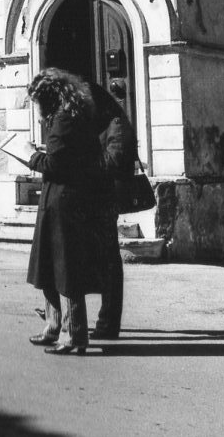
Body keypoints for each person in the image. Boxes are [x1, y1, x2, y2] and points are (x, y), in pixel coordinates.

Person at [24, 68, 107, 355]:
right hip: (63, 199)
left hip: (62, 202)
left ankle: (74, 335)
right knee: (50, 265)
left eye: (37, 100)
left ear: (48, 98)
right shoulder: (76, 115)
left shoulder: (63, 121)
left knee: (64, 268)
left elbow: (54, 165)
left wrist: (30, 156)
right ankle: (53, 326)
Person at [88, 80, 136, 341]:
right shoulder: (101, 122)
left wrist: (84, 161)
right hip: (95, 196)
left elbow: (114, 161)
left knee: (108, 260)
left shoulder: (115, 123)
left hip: (107, 199)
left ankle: (108, 321)